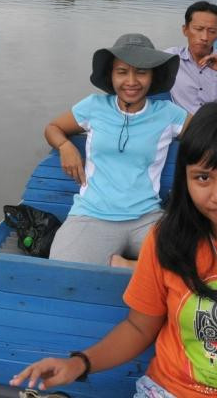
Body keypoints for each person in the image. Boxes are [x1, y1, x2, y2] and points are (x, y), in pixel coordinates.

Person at [12, 101, 217, 397]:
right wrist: (80, 363)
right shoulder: (168, 238)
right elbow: (139, 326)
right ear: (185, 180)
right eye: (202, 178)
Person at [44, 33, 189, 267]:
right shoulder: (93, 106)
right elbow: (53, 127)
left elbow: (206, 135)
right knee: (61, 272)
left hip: (147, 218)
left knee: (194, 266)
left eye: (141, 72)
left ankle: (126, 266)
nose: (131, 81)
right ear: (111, 75)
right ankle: (138, 268)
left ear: (153, 76)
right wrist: (64, 145)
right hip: (91, 215)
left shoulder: (168, 113)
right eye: (122, 72)